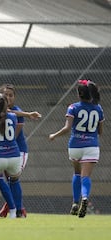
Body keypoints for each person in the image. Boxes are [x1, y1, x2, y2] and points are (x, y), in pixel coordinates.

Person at [49, 79, 104, 218]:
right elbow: (100, 132)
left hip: (75, 146)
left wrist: (54, 135)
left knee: (77, 173)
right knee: (86, 176)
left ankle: (75, 202)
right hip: (91, 145)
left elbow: (67, 128)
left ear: (79, 93)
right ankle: (84, 197)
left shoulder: (73, 107)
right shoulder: (98, 109)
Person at [0, 84, 29, 218]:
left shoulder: (17, 112)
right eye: (6, 95)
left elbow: (13, 136)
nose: (8, 98)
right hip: (6, 151)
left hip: (18, 151)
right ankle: (12, 207)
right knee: (9, 180)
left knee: (14, 179)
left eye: (11, 95)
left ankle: (18, 208)